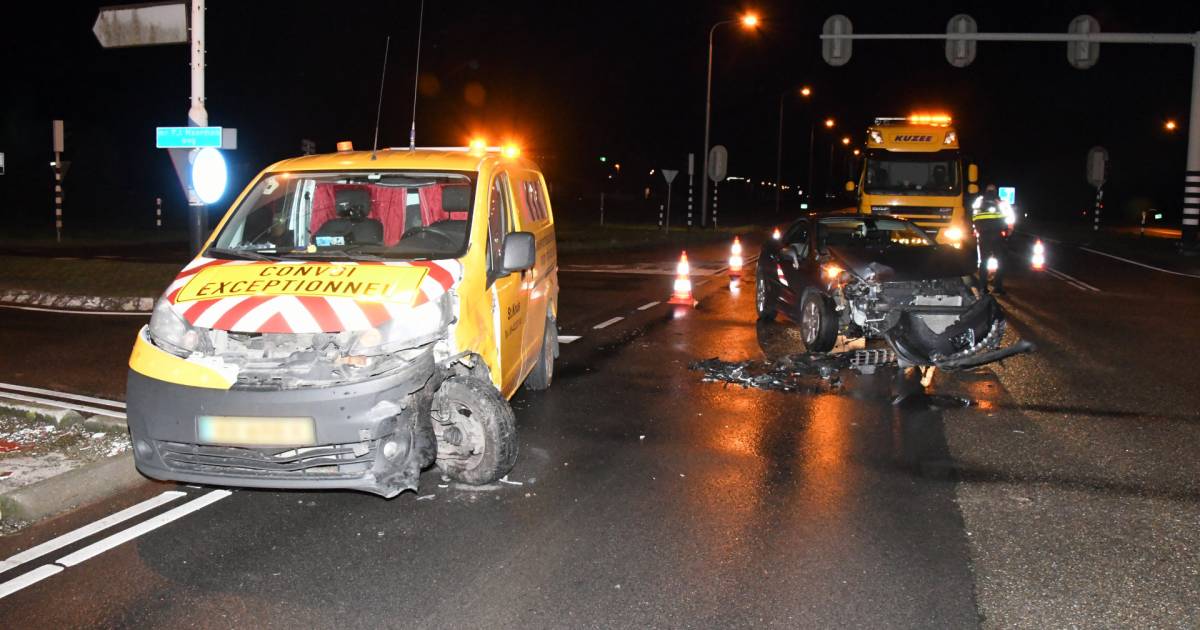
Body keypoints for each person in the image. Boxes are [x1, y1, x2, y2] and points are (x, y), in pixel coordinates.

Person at [971, 184, 1014, 294]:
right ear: (996, 191)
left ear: (985, 191)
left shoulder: (979, 201)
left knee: (983, 262)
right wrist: (1009, 230)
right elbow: (1009, 217)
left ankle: (983, 288)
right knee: (1000, 261)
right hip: (997, 235)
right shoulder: (1001, 202)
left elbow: (973, 216)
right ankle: (998, 287)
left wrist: (976, 229)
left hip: (984, 236)